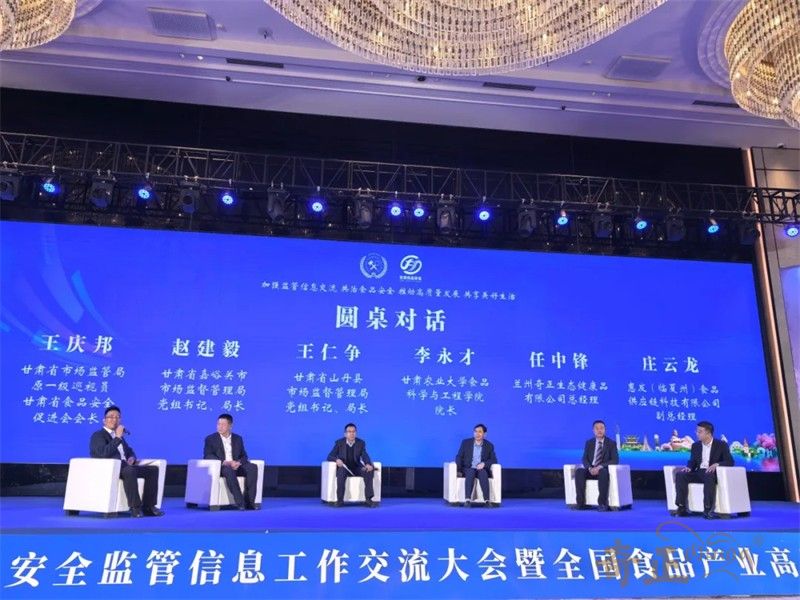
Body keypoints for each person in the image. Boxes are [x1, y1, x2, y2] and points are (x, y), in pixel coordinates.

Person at [89, 405, 164, 518]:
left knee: (152, 470)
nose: (115, 419)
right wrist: (117, 438)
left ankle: (149, 507)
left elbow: (129, 451)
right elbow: (103, 453)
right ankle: (135, 508)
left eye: (117, 417)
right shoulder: (98, 435)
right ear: (104, 420)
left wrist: (132, 458)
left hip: (125, 466)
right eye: (111, 417)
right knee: (129, 471)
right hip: (110, 468)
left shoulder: (119, 437)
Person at [674, 420, 734, 519]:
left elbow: (730, 461)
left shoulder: (721, 445)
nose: (697, 433)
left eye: (700, 431)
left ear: (708, 433)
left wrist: (717, 464)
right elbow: (693, 461)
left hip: (712, 473)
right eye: (697, 431)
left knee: (708, 475)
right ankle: (681, 507)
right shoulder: (695, 445)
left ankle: (707, 509)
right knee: (681, 475)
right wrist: (689, 467)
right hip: (699, 472)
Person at [203, 413, 259, 510]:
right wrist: (225, 462)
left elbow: (244, 456)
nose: (220, 427)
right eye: (218, 424)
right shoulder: (211, 439)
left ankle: (250, 502)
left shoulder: (238, 439)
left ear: (230, 426)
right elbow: (207, 455)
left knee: (253, 467)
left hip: (237, 465)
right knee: (228, 470)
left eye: (223, 424)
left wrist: (238, 463)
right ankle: (240, 502)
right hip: (222, 467)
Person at [326, 423, 377, 507]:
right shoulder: (339, 443)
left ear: (356, 433)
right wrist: (336, 460)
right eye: (349, 432)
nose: (352, 433)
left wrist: (368, 464)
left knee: (368, 471)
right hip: (344, 467)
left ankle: (368, 499)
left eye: (353, 431)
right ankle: (340, 500)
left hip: (357, 467)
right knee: (341, 472)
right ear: (345, 434)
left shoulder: (361, 443)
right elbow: (330, 456)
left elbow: (364, 455)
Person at [574, 420, 619, 511]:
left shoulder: (611, 443)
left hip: (603, 470)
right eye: (597, 428)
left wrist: (600, 466)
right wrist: (590, 468)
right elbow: (584, 459)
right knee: (579, 471)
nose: (599, 430)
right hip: (591, 469)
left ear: (605, 430)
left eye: (602, 428)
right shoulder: (589, 443)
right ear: (593, 430)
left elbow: (615, 460)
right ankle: (580, 503)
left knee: (603, 472)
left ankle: (602, 504)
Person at [455, 424, 498, 507]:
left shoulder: (489, 445)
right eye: (475, 431)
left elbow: (494, 460)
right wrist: (458, 470)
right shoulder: (465, 443)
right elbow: (459, 456)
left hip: (480, 469)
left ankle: (487, 501)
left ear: (485, 434)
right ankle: (467, 500)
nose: (477, 434)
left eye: (480, 432)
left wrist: (484, 464)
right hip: (468, 468)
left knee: (483, 473)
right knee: (471, 472)